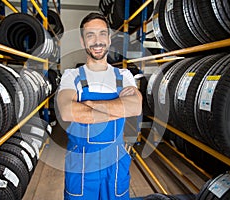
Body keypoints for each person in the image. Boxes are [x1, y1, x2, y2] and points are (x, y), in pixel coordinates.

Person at [57, 12, 142, 200]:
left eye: (102, 34)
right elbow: (67, 111)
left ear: (109, 39)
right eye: (90, 35)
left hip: (115, 164)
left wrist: (88, 106)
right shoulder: (72, 76)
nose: (97, 41)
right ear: (82, 41)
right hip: (82, 166)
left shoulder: (124, 75)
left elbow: (135, 107)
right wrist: (118, 106)